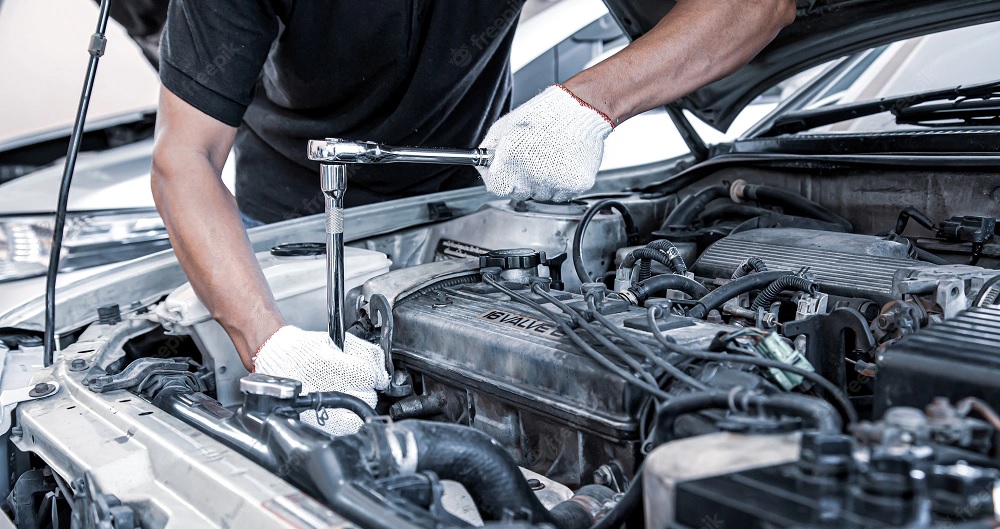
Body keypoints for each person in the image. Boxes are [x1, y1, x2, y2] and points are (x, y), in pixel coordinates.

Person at [150, 0, 795, 432]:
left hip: (463, 203)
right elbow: (185, 157)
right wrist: (271, 345)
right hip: (298, 222)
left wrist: (591, 102)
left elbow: (755, 5)